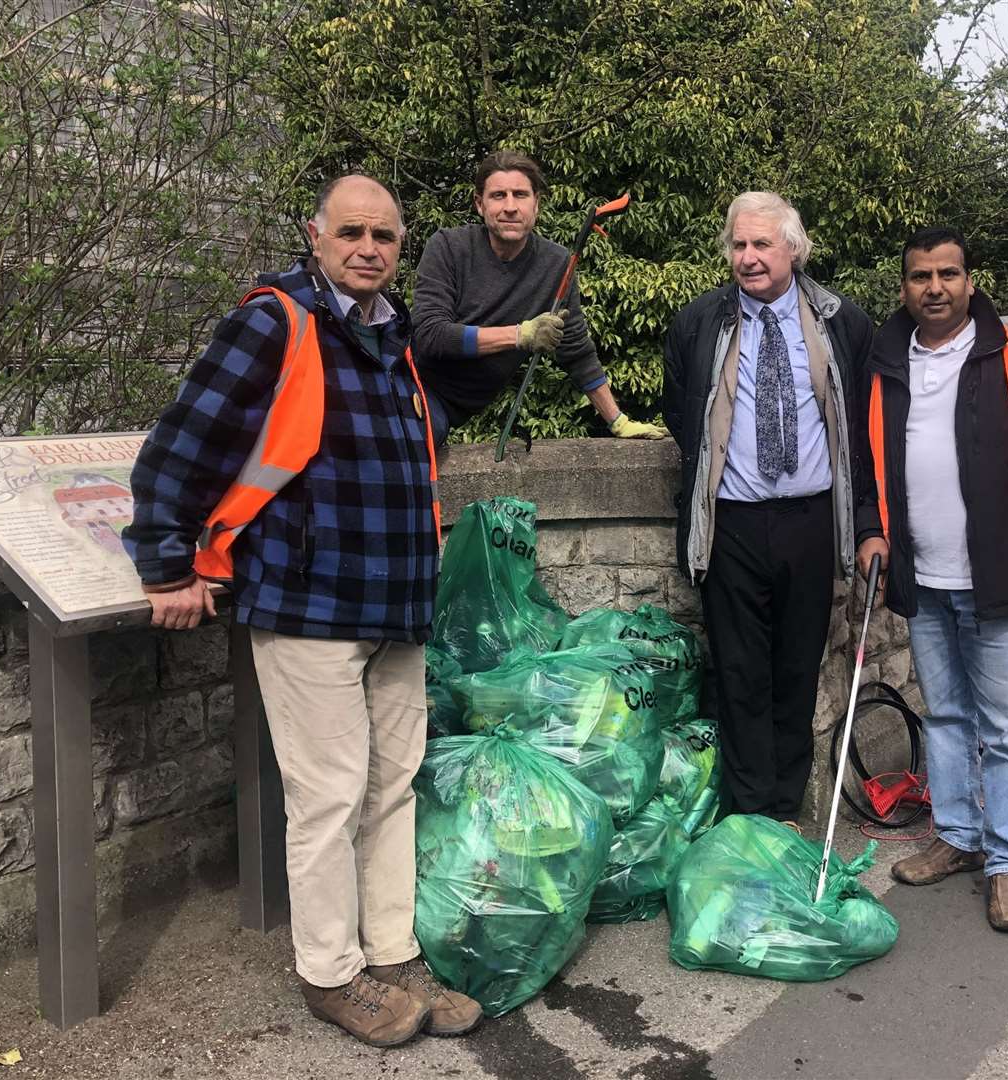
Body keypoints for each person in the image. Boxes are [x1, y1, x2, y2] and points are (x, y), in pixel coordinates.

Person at [122, 174, 482, 1046]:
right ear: (316, 237)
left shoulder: (392, 339)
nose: (369, 248)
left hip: (393, 605)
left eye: (385, 237)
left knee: (392, 786)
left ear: (402, 248)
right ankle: (330, 971)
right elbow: (178, 448)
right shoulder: (273, 322)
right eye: (351, 232)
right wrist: (169, 566)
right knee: (327, 796)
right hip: (307, 601)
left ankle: (391, 953)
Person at [858, 226, 1008, 932]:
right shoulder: (886, 358)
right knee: (944, 718)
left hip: (999, 578)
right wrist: (872, 531)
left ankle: (1007, 864)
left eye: (947, 274)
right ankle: (961, 839)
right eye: (919, 277)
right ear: (903, 286)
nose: (933, 288)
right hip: (924, 579)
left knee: (1005, 730)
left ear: (970, 280)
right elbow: (868, 463)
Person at [662, 191, 875, 831]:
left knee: (796, 666)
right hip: (733, 523)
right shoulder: (698, 323)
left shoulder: (843, 321)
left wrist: (865, 521)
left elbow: (863, 427)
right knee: (738, 670)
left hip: (810, 521)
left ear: (793, 248)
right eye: (738, 245)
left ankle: (784, 811)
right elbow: (683, 413)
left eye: (762, 244)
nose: (749, 258)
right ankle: (749, 812)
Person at [411, 149, 668, 444]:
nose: (510, 206)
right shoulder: (448, 247)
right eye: (498, 196)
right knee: (413, 438)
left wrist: (619, 422)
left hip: (457, 408)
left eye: (520, 195)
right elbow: (431, 334)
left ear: (537, 205)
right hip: (411, 386)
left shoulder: (557, 264)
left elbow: (576, 351)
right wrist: (520, 335)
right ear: (479, 205)